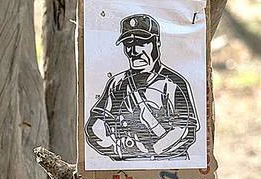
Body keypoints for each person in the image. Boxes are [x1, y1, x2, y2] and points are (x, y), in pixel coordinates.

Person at [84, 13, 199, 160]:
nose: (134, 51)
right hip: (125, 165)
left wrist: (149, 150)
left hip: (168, 164)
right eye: (128, 44)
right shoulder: (117, 83)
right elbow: (94, 125)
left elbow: (184, 130)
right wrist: (116, 148)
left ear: (156, 42)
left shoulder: (174, 83)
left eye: (141, 43)